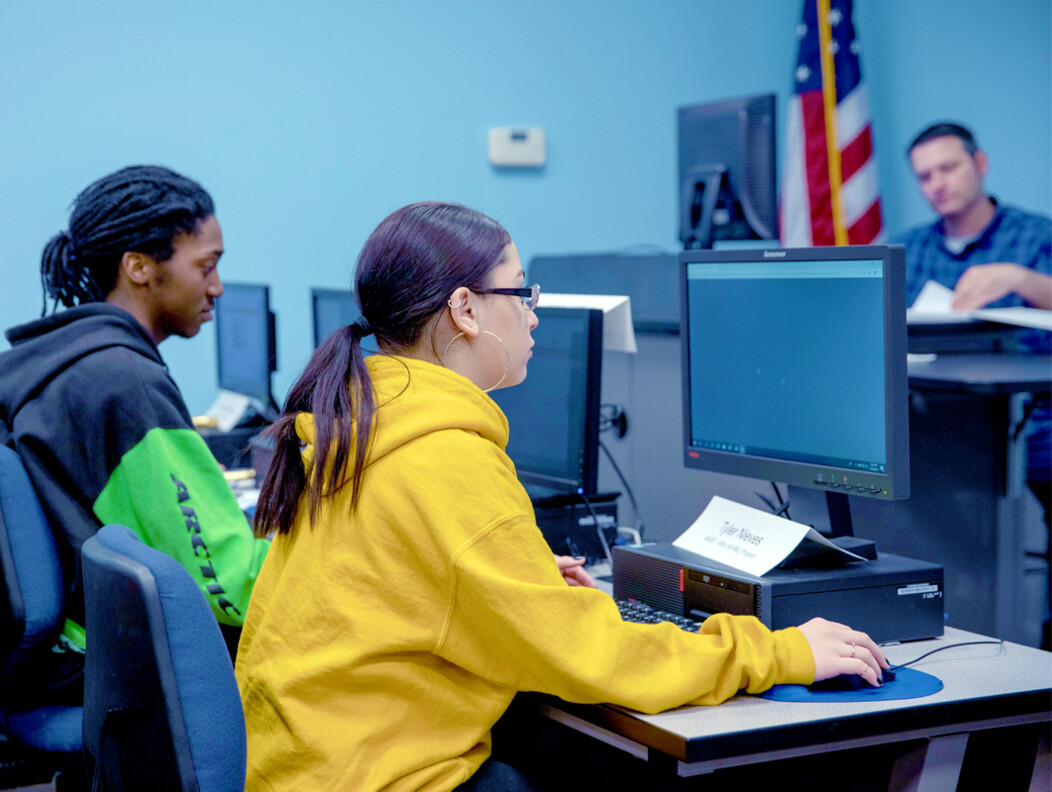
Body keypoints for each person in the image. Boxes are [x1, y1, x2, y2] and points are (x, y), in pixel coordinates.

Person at [234, 201, 889, 792]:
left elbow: (383, 579)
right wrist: (780, 651)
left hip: (301, 765)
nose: (533, 311)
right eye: (521, 291)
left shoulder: (360, 422)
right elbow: (596, 658)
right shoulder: (444, 456)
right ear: (465, 310)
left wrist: (517, 580)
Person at [0, 165, 269, 704]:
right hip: (103, 661)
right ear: (139, 267)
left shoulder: (60, 359)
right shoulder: (125, 384)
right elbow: (231, 588)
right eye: (206, 266)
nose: (215, 287)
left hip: (60, 654)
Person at [894, 121, 1052, 646]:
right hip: (939, 423)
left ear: (979, 164)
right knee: (907, 507)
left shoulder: (1033, 236)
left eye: (948, 167)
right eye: (924, 176)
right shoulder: (910, 249)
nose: (936, 183)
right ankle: (950, 630)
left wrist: (1022, 281)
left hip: (1035, 421)